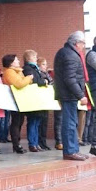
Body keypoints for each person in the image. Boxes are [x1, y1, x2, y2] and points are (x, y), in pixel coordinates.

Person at [53, 31, 89, 161]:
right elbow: (70, 78)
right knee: (70, 123)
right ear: (77, 43)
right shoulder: (71, 55)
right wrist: (81, 95)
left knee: (71, 122)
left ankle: (73, 150)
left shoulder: (66, 52)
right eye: (83, 43)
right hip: (68, 94)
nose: (84, 46)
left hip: (66, 93)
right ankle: (70, 151)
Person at [1, 54, 33, 153]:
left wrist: (26, 79)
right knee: (16, 122)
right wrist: (28, 78)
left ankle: (17, 143)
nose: (18, 61)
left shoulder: (18, 71)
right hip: (14, 99)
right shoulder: (9, 72)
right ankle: (16, 144)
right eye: (16, 60)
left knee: (20, 121)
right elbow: (19, 84)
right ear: (11, 63)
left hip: (21, 99)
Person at [22, 50, 49, 152]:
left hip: (38, 99)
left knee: (37, 122)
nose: (36, 58)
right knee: (32, 122)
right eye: (34, 57)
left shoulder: (35, 69)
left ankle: (36, 143)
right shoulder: (28, 69)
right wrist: (43, 82)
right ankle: (32, 143)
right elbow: (34, 81)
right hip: (32, 99)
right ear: (29, 58)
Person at [37, 57, 52, 150]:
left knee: (45, 123)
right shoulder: (39, 74)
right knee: (40, 122)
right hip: (40, 100)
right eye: (43, 64)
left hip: (46, 100)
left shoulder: (47, 74)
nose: (45, 66)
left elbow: (52, 82)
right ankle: (39, 141)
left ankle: (43, 141)